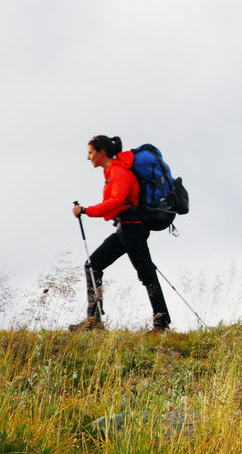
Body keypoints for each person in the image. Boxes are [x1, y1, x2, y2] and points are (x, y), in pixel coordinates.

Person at [69, 135, 171, 332]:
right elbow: (116, 205)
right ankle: (94, 320)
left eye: (90, 152)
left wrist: (86, 210)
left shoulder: (118, 171)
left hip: (133, 229)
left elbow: (117, 200)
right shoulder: (111, 171)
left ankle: (161, 324)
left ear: (101, 152)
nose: (88, 157)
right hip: (125, 229)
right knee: (93, 265)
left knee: (146, 274)